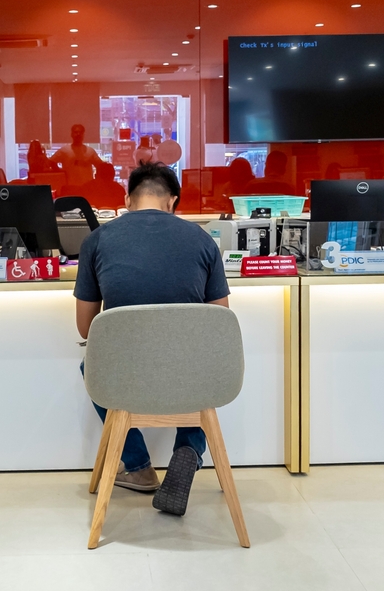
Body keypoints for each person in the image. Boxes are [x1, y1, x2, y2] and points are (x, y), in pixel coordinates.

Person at [74, 162, 230, 516]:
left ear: (127, 198)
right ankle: (188, 450)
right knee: (206, 367)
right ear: (173, 201)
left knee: (91, 366)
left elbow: (86, 329)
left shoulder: (97, 240)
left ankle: (138, 465)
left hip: (125, 377)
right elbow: (219, 323)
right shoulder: (202, 239)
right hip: (187, 376)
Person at [49, 124, 104, 189]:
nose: (78, 134)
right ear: (71, 134)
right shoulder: (64, 150)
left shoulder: (90, 151)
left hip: (87, 188)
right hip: (70, 187)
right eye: (76, 132)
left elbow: (101, 166)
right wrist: (60, 172)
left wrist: (97, 180)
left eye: (80, 132)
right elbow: (51, 162)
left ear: (83, 134)